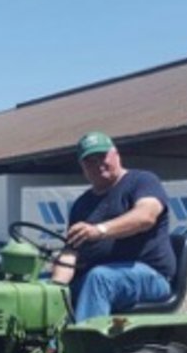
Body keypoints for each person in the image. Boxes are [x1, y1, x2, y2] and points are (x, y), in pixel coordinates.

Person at [51, 131, 175, 319]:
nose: (98, 164)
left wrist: (100, 230)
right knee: (38, 287)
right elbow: (71, 252)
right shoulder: (81, 205)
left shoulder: (142, 181)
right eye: (90, 161)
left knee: (99, 279)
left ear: (116, 154)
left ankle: (88, 338)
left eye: (102, 156)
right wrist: (55, 288)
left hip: (150, 275)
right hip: (97, 275)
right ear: (82, 166)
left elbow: (146, 216)